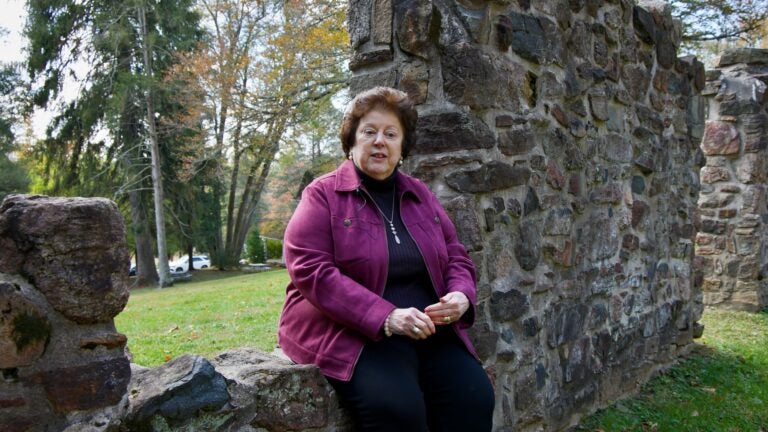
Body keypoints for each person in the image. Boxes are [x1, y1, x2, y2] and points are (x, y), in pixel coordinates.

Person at [278, 86, 495, 431]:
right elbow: (311, 270)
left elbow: (456, 255)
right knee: (397, 411)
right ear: (351, 143)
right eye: (369, 132)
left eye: (391, 134)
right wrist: (386, 316)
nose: (380, 141)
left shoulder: (420, 194)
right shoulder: (322, 195)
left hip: (426, 329)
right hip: (354, 332)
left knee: (474, 397)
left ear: (402, 148)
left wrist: (460, 296)